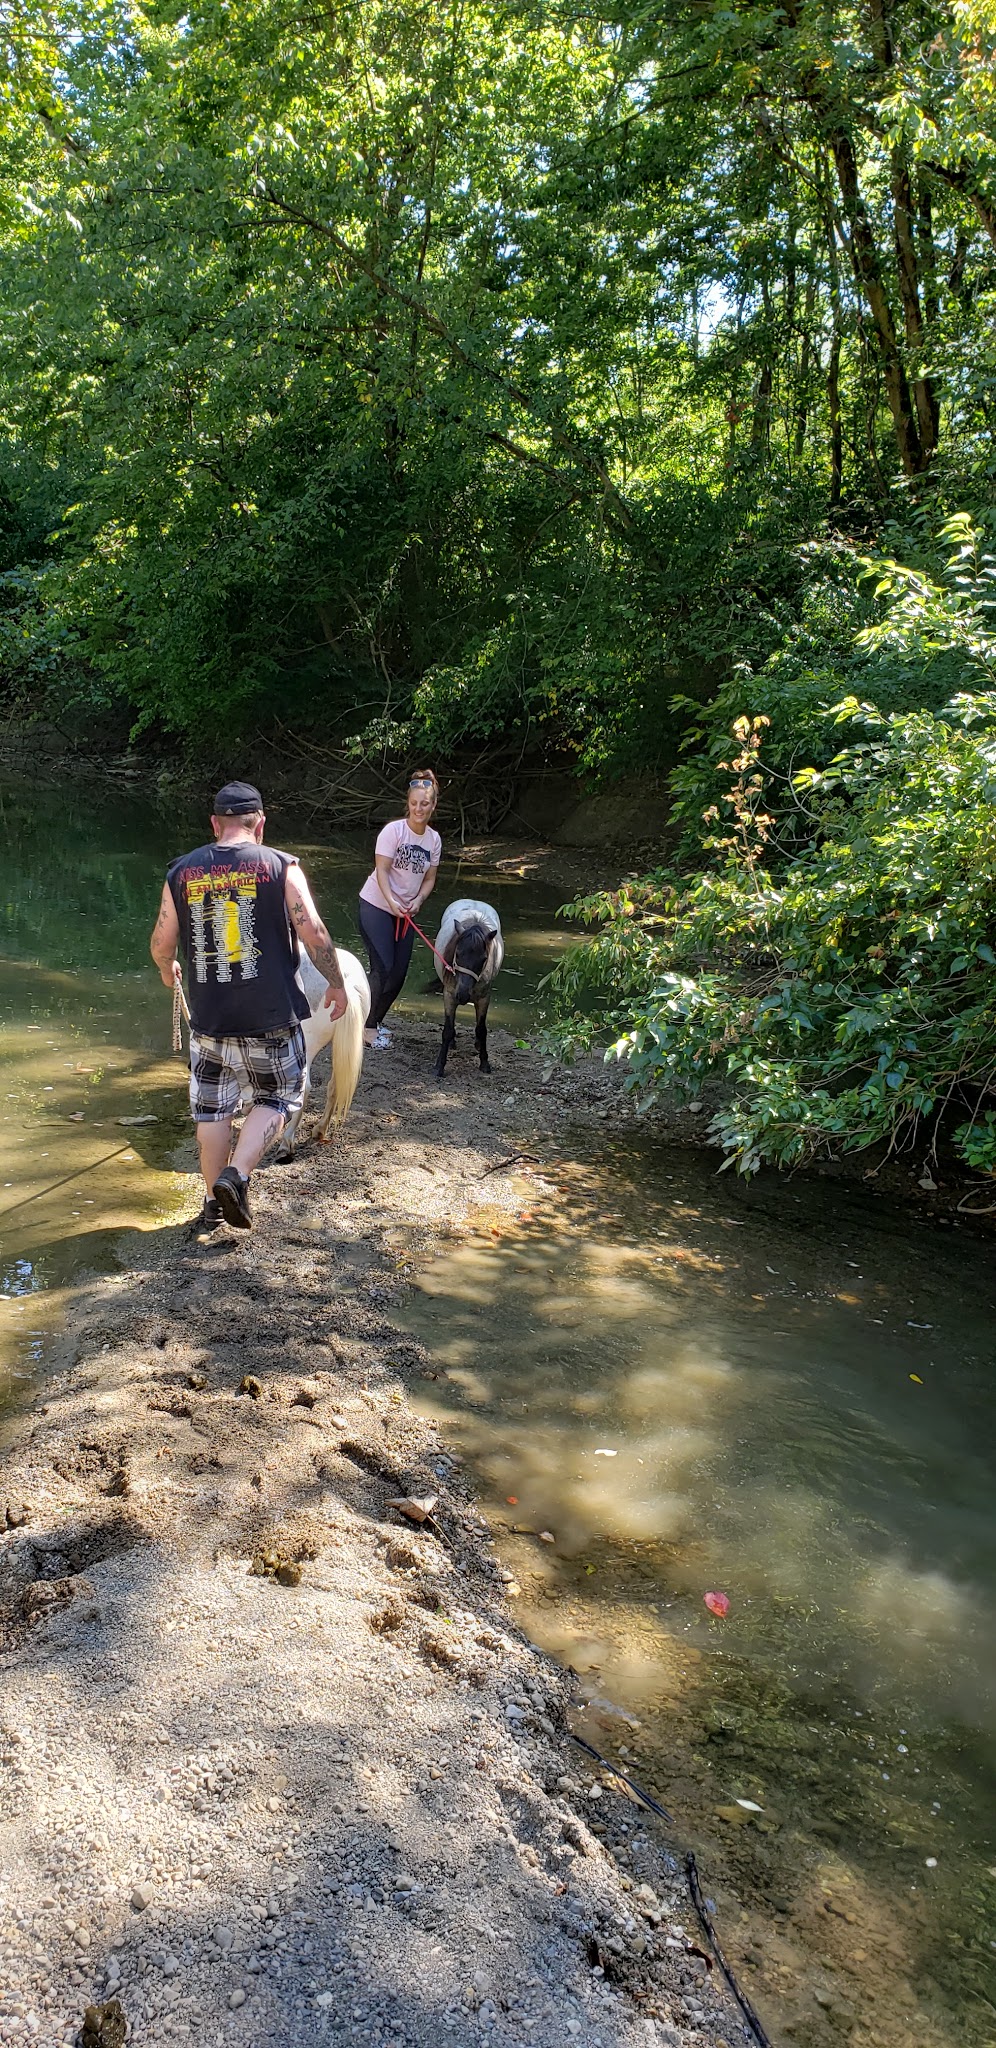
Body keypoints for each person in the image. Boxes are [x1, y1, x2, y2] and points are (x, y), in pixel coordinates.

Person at [150, 780, 347, 1233]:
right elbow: (313, 931)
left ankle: (210, 1206)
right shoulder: (281, 866)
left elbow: (163, 942)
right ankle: (236, 1177)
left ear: (215, 824)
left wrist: (167, 970)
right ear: (259, 824)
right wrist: (336, 982)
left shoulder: (181, 870)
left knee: (212, 1112)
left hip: (208, 1022)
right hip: (271, 1018)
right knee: (279, 1096)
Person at [357, 770, 441, 1048]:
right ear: (408, 804)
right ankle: (364, 1028)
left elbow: (429, 879)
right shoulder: (394, 831)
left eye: (425, 804)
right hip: (377, 905)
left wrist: (419, 901)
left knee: (399, 974)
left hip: (405, 913)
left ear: (433, 806)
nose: (419, 809)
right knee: (382, 967)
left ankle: (375, 1021)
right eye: (415, 803)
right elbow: (381, 871)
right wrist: (392, 900)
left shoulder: (434, 840)